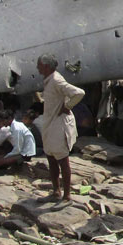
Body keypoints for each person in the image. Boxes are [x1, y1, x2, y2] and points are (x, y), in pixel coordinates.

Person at [37, 53, 85, 201]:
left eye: (39, 65)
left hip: (58, 124)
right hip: (49, 123)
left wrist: (67, 106)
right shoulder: (49, 80)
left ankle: (67, 194)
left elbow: (79, 93)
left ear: (45, 66)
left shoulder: (57, 80)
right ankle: (56, 190)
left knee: (63, 160)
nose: (37, 68)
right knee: (51, 157)